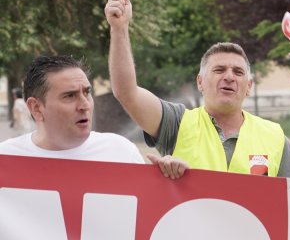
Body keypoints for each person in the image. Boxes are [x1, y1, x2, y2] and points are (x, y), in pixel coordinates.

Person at [106, 0, 290, 178]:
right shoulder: (176, 123)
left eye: (238, 72)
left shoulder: (274, 137)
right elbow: (127, 93)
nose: (229, 77)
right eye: (219, 70)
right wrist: (119, 28)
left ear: (249, 86)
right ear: (200, 82)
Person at [0, 55, 188, 178]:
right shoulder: (5, 160)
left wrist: (171, 183)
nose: (84, 105)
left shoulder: (120, 151)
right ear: (36, 107)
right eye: (69, 96)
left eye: (87, 92)